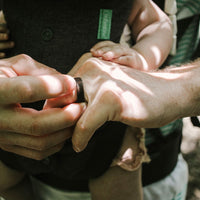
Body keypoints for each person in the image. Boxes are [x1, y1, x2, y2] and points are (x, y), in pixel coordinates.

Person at [0, 0, 173, 200]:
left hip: (104, 123)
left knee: (118, 192)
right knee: (6, 182)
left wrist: (140, 57)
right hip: (15, 123)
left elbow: (156, 24)